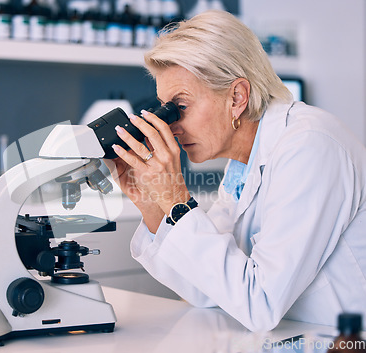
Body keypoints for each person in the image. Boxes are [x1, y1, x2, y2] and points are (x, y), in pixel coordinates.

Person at [110, 10, 366, 331]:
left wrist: (176, 198)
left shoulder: (310, 145)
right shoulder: (243, 163)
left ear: (237, 97)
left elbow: (260, 303)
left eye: (180, 106)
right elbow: (208, 290)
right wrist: (150, 202)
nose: (170, 124)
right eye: (165, 108)